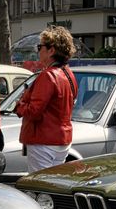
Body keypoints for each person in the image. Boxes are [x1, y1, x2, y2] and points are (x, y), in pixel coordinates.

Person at [14, 27, 78, 172]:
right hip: (61, 139)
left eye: (40, 47)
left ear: (51, 50)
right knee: (53, 184)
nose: (38, 51)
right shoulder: (68, 74)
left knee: (40, 186)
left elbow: (34, 112)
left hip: (43, 140)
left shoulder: (48, 75)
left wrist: (20, 106)